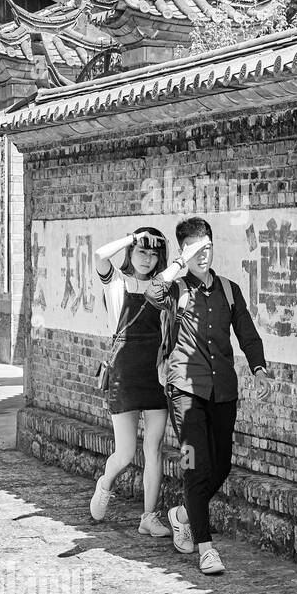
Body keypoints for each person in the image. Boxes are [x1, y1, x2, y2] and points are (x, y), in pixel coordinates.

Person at [146, 217, 271, 575]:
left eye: (208, 247)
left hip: (222, 390)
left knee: (222, 465)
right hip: (184, 391)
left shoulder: (229, 290)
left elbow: (247, 334)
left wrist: (259, 368)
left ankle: (183, 514)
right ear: (185, 252)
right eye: (196, 249)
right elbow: (153, 292)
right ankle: (206, 548)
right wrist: (176, 265)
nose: (204, 254)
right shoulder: (175, 288)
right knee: (194, 466)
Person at [89, 227, 175, 537]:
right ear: (131, 252)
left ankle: (149, 516)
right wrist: (132, 237)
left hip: (154, 373)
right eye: (142, 251)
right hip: (124, 374)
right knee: (125, 453)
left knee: (154, 449)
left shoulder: (162, 287)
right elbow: (99, 255)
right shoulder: (116, 281)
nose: (147, 258)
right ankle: (105, 482)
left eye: (153, 254)